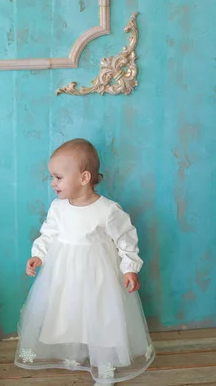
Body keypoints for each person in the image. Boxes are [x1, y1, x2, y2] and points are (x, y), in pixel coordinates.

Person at [14, 138, 155, 385]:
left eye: (58, 177)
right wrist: (38, 255)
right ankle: (75, 354)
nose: (53, 183)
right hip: (64, 275)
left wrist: (130, 268)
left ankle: (104, 366)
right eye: (52, 177)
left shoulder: (107, 210)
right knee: (69, 311)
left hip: (97, 276)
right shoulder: (58, 208)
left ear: (84, 178)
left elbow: (125, 239)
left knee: (100, 315)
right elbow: (48, 234)